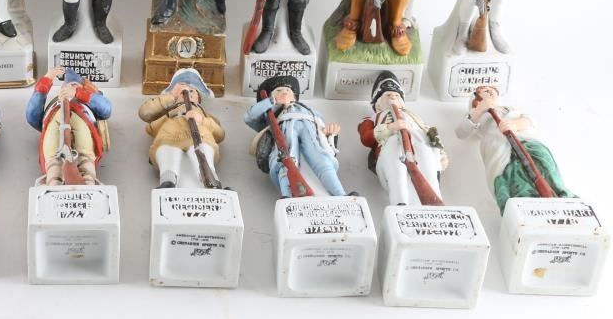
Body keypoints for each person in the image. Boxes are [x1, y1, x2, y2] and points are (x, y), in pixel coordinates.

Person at [457, 85, 573, 213]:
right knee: (511, 175)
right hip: (500, 148)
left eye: (492, 91)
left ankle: (559, 194)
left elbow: (531, 120)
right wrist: (479, 110)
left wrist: (515, 124)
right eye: (484, 92)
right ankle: (524, 202)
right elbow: (461, 132)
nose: (489, 93)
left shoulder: (511, 109)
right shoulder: (479, 115)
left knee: (544, 164)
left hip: (528, 143)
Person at [243, 75, 347, 197]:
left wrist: (329, 133)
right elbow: (249, 117)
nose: (284, 93)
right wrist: (271, 101)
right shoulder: (271, 114)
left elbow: (320, 125)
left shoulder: (308, 110)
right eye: (278, 91)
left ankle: (341, 195)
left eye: (288, 90)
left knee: (322, 161)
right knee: (286, 164)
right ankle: (288, 196)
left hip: (310, 133)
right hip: (285, 133)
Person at [358, 71, 448, 205]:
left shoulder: (414, 116)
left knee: (429, 171)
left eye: (397, 95)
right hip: (391, 144)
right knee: (397, 173)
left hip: (420, 142)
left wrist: (441, 153)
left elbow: (429, 132)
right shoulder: (372, 118)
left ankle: (435, 204)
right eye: (387, 95)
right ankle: (400, 204)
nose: (393, 97)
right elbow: (366, 137)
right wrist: (390, 128)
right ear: (377, 105)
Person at [139, 68, 224, 188]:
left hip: (201, 138)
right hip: (170, 137)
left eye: (192, 91)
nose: (187, 94)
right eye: (181, 92)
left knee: (204, 153)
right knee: (167, 152)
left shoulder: (205, 115)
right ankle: (167, 182)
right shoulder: (168, 113)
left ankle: (212, 182)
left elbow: (220, 134)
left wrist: (202, 120)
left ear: (199, 98)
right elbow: (145, 114)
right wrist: (171, 96)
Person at [26, 66, 111, 185]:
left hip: (82, 125)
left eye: (75, 85)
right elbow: (32, 115)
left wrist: (78, 94)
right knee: (54, 160)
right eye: (67, 86)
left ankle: (88, 182)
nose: (69, 88)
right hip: (55, 127)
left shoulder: (86, 103)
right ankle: (54, 182)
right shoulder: (54, 107)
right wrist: (46, 81)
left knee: (85, 158)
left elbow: (106, 109)